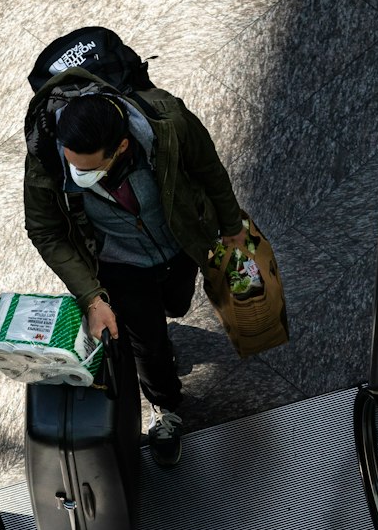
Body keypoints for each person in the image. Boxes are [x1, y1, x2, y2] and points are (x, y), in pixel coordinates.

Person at [23, 74, 246, 466]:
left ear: (122, 146)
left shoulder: (168, 123)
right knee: (148, 342)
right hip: (118, 263)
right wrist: (92, 297)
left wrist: (231, 229)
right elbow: (45, 230)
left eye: (89, 170)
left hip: (179, 243)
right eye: (72, 165)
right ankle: (167, 407)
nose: (77, 176)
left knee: (177, 303)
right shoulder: (47, 161)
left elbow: (209, 170)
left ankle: (162, 334)